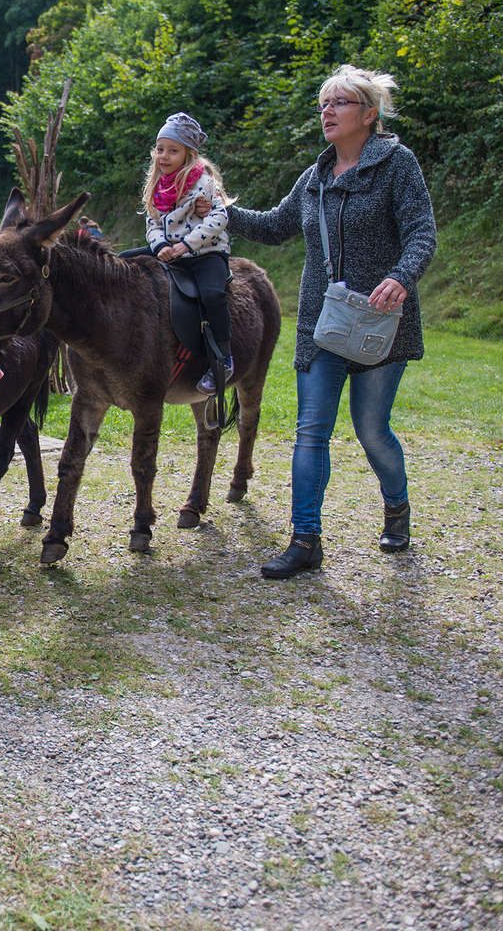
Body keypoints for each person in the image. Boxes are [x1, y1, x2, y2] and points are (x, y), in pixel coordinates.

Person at [226, 65, 437, 580]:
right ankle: (304, 540)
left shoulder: (397, 165)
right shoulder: (316, 175)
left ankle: (397, 508)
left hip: (381, 322)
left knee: (371, 429)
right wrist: (222, 207)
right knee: (310, 432)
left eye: (339, 102)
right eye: (324, 103)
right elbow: (275, 227)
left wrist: (401, 277)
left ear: (369, 114)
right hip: (323, 325)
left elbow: (422, 232)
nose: (328, 111)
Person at [139, 112, 234, 395]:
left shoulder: (203, 182)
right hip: (169, 252)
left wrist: (187, 245)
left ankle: (223, 359)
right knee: (124, 264)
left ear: (188, 154)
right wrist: (160, 246)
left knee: (212, 295)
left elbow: (219, 217)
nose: (164, 156)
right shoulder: (157, 184)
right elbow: (152, 222)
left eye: (172, 150)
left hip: (205, 253)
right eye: (160, 149)